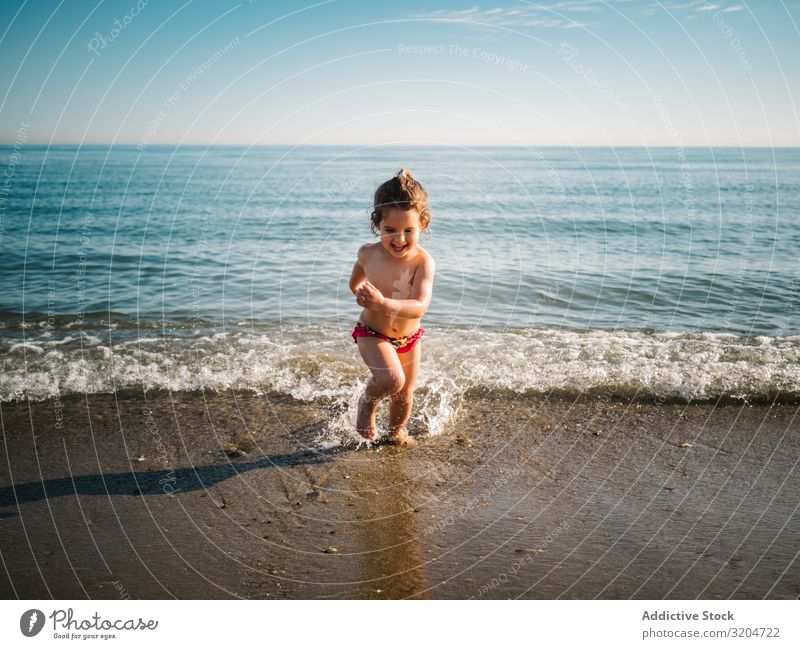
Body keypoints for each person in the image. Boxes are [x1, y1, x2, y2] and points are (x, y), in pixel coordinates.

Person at [349, 169, 436, 446]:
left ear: (422, 224)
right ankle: (367, 405)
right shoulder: (368, 254)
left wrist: (384, 302)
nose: (399, 239)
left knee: (405, 392)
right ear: (378, 225)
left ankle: (395, 433)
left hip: (409, 337)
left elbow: (420, 306)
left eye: (408, 230)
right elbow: (355, 282)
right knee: (392, 381)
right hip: (372, 333)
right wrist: (364, 296)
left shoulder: (423, 262)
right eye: (390, 231)